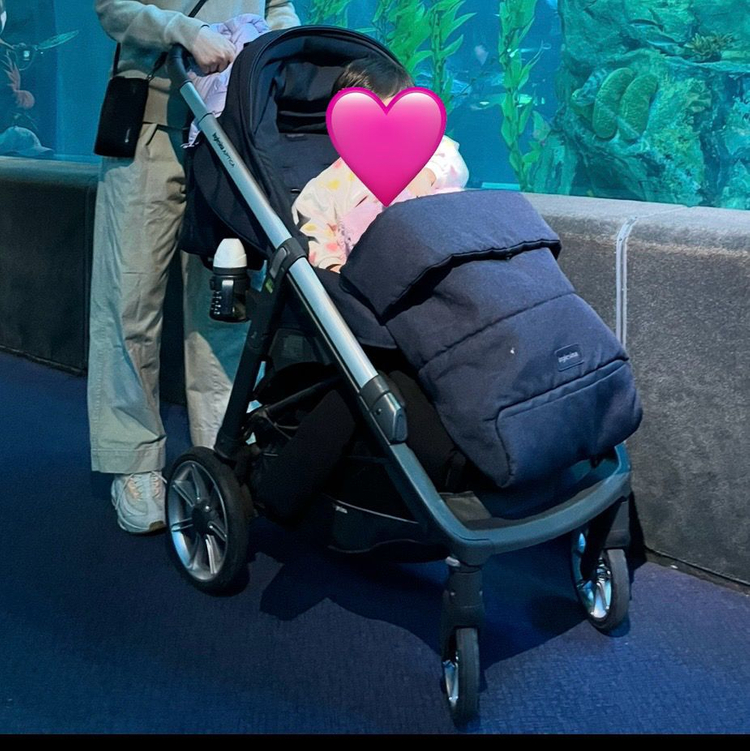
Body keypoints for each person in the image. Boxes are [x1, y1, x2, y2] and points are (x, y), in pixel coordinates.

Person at [90, 1, 300, 534]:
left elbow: (280, 10)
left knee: (226, 303)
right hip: (148, 126)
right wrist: (183, 30)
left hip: (231, 130)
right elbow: (113, 9)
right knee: (128, 299)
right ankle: (134, 461)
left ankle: (222, 451)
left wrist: (275, 47)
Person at [292, 57, 469, 272]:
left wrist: (427, 174)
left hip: (444, 249)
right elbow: (314, 227)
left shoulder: (425, 149)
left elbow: (451, 159)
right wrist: (334, 267)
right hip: (379, 270)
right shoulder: (325, 186)